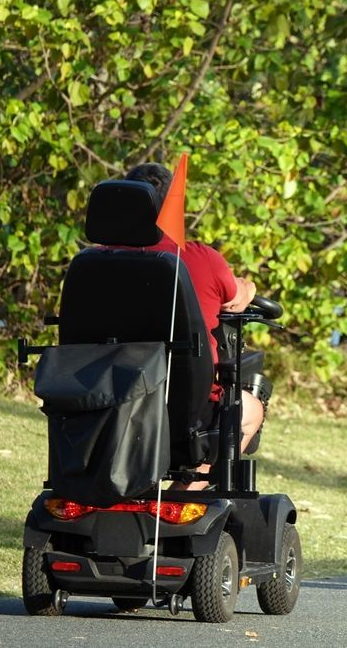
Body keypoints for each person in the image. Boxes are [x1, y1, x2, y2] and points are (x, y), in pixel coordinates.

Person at [123, 163, 265, 490]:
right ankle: (183, 498)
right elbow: (237, 298)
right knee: (251, 409)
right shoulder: (200, 258)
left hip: (110, 398)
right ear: (173, 203)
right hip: (185, 410)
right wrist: (249, 287)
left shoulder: (92, 264)